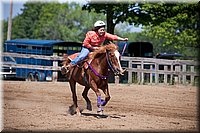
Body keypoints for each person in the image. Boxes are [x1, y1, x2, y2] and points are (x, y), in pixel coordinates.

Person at [62, 20, 128, 73]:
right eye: (101, 30)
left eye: (103, 30)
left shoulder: (104, 34)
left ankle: (114, 68)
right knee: (82, 56)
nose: (102, 31)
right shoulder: (90, 34)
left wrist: (123, 39)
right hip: (87, 48)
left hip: (97, 48)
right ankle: (70, 65)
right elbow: (85, 43)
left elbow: (113, 37)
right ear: (97, 29)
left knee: (106, 56)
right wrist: (92, 48)